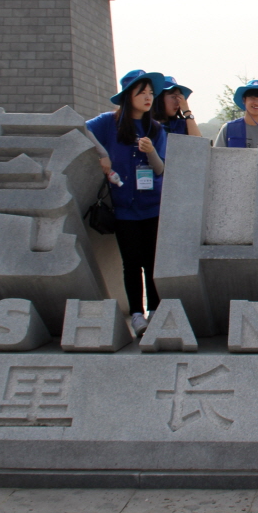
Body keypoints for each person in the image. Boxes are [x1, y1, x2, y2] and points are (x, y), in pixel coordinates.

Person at [86, 70, 168, 336]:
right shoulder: (108, 123)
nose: (147, 97)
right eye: (141, 92)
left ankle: (155, 309)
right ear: (127, 97)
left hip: (153, 206)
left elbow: (160, 170)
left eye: (150, 93)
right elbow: (78, 128)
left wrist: (151, 151)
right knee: (131, 262)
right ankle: (137, 314)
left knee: (153, 261)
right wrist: (102, 154)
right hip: (124, 208)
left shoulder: (155, 128)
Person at [219, 79, 258, 148]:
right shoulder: (228, 128)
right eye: (252, 98)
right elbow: (216, 156)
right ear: (244, 100)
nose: (257, 103)